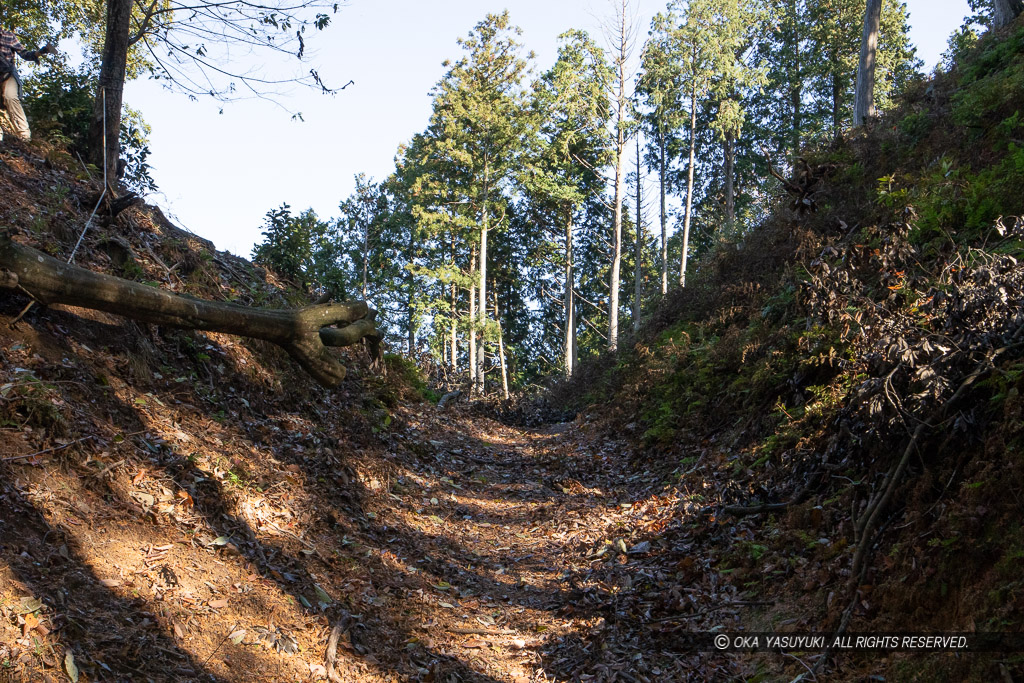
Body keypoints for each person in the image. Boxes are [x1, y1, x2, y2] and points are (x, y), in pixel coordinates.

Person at [0, 28, 57, 142]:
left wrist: (41, 51)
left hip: (8, 75)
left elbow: (25, 54)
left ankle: (24, 136)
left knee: (10, 97)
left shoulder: (8, 36)